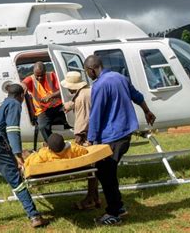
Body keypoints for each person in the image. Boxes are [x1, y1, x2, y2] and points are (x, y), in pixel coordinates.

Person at [84, 55, 156, 225]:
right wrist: (147, 111)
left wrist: (91, 140)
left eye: (87, 72)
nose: (88, 75)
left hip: (112, 137)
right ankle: (118, 206)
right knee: (109, 172)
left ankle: (114, 214)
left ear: (91, 69)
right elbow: (137, 96)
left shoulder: (100, 85)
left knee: (105, 174)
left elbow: (96, 114)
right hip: (124, 134)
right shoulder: (120, 77)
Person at [0, 83, 49, 228]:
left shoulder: (0, 104)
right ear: (21, 96)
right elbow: (12, 129)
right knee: (16, 179)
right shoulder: (15, 104)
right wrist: (18, 155)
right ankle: (34, 216)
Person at [61, 71, 101, 210]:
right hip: (95, 133)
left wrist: (77, 139)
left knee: (90, 168)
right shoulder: (86, 92)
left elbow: (83, 119)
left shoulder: (81, 98)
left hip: (87, 137)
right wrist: (69, 105)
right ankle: (95, 197)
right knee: (94, 168)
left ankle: (90, 198)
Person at [22, 62, 64, 142]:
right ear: (33, 73)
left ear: (45, 72)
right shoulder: (30, 79)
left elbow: (62, 91)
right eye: (37, 75)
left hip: (58, 106)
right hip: (43, 110)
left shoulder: (52, 75)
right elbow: (24, 83)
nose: (40, 78)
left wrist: (51, 96)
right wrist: (23, 85)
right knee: (42, 126)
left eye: (42, 75)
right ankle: (51, 143)